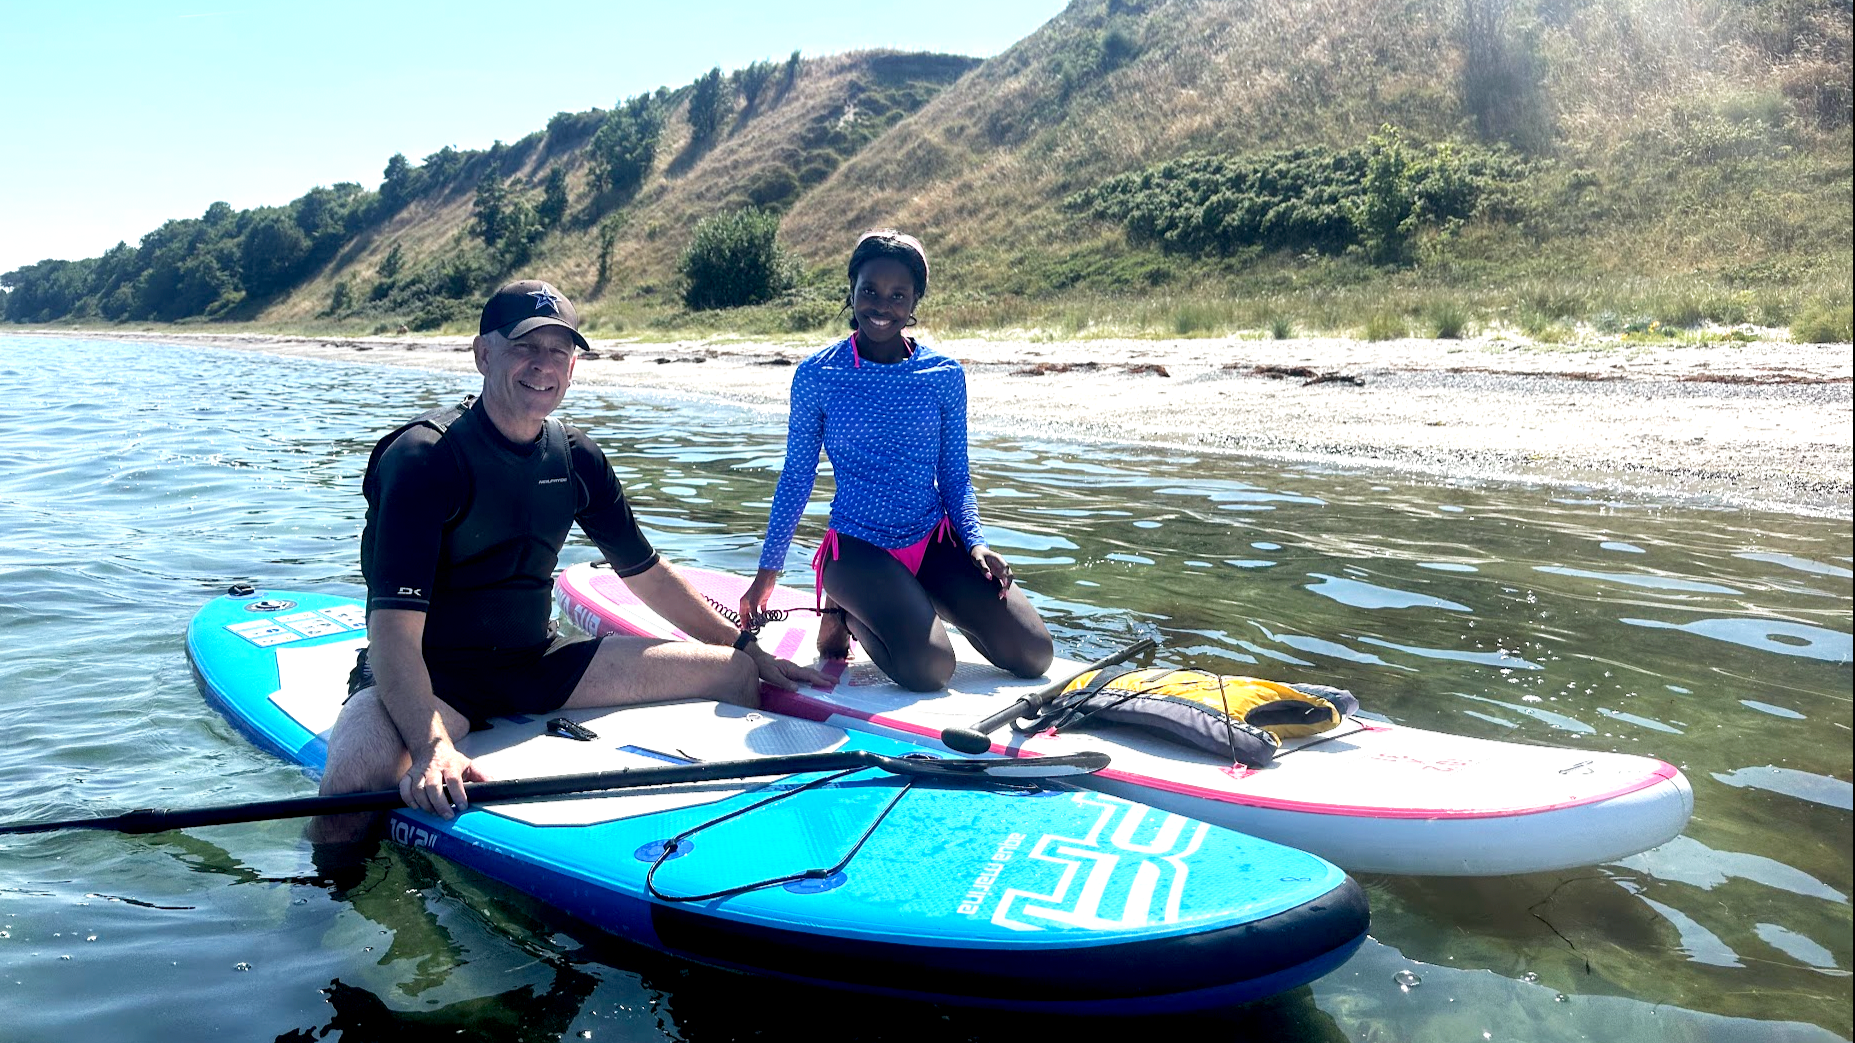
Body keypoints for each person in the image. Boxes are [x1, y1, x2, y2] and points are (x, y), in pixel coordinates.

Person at [311, 279, 826, 842]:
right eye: (525, 347)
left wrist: (743, 644)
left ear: (574, 365)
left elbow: (648, 575)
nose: (543, 364)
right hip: (432, 678)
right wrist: (433, 746)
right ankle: (316, 914)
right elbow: (392, 637)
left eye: (559, 350)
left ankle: (730, 836)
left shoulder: (575, 456)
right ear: (484, 354)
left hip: (537, 665)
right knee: (352, 785)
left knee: (732, 673)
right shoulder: (424, 458)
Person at [740, 231, 1053, 692]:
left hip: (932, 539)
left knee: (1034, 653)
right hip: (857, 548)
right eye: (869, 290)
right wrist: (767, 574)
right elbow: (796, 477)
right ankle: (843, 609)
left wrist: (976, 545)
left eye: (897, 295)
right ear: (851, 289)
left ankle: (915, 600)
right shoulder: (818, 374)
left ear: (914, 301)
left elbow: (954, 475)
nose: (880, 305)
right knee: (930, 668)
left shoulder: (943, 376)